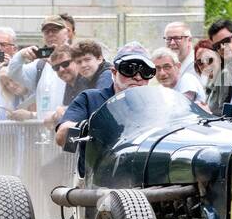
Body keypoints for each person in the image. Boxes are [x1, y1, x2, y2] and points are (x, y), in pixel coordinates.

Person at [57, 44, 157, 174]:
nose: (138, 77)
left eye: (145, 71)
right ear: (114, 72)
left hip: (144, 176)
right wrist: (86, 127)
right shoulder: (90, 98)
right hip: (95, 179)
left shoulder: (157, 105)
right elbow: (61, 137)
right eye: (128, 69)